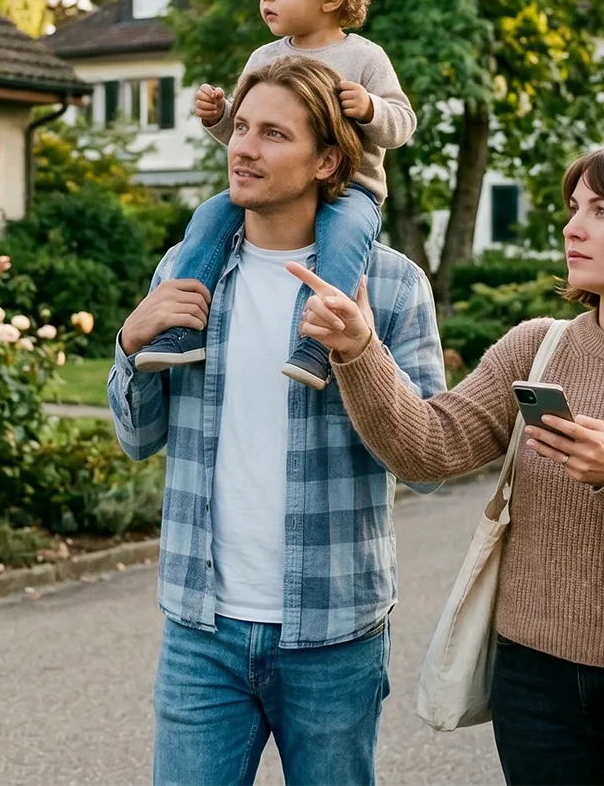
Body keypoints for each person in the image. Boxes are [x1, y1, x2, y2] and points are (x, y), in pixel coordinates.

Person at [291, 144, 604, 786]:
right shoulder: (539, 346)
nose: (573, 227)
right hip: (536, 681)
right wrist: (359, 350)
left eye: (603, 211)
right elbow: (429, 448)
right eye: (574, 209)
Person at [108, 56, 447, 786]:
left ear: (327, 159)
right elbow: (137, 439)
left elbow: (426, 463)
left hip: (334, 629)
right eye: (239, 129)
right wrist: (130, 345)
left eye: (271, 134)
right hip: (202, 630)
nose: (242, 146)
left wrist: (362, 352)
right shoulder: (185, 268)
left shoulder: (390, 283)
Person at [130, 0, 415, 391]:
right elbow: (247, 142)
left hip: (351, 189)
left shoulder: (365, 58)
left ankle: (321, 341)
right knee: (207, 216)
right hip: (281, 192)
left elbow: (401, 125)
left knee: (343, 239)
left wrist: (369, 109)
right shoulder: (265, 59)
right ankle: (182, 329)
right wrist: (220, 118)